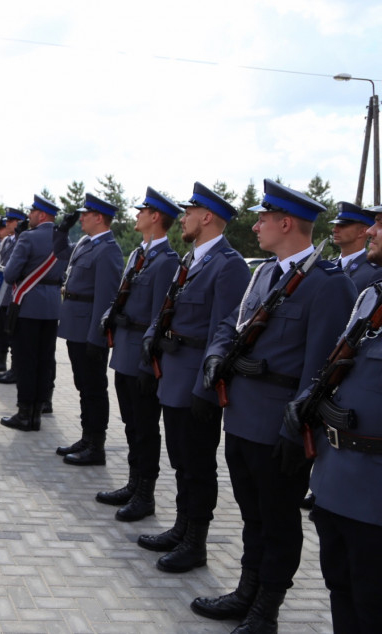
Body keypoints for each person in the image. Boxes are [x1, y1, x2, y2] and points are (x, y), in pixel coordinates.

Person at [191, 181, 356, 631]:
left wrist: (297, 430)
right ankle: (246, 589)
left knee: (279, 519)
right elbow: (231, 323)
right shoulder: (263, 273)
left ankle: (267, 607)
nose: (256, 224)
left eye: (263, 218)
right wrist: (212, 357)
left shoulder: (328, 285)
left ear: (286, 223)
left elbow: (322, 369)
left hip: (279, 424)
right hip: (241, 414)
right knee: (251, 512)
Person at [137, 181, 250, 573]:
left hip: (195, 381)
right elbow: (167, 311)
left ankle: (196, 542)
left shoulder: (229, 265)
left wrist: (206, 387)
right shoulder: (190, 261)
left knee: (198, 463)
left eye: (188, 213)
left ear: (207, 218)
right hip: (173, 372)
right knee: (181, 460)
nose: (182, 219)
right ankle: (181, 527)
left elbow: (223, 330)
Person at [293, 205, 382, 631]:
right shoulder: (371, 297)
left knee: (371, 602)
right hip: (337, 481)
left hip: (375, 492)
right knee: (341, 590)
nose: (372, 232)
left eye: (381, 226)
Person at [95, 188, 181, 522]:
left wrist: (149, 362)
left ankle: (145, 494)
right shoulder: (137, 256)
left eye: (142, 211)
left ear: (155, 217)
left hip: (143, 357)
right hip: (125, 353)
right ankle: (133, 483)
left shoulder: (167, 261)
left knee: (145, 427)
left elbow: (161, 316)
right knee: (131, 424)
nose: (136, 216)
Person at [55, 193, 124, 465]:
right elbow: (60, 253)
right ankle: (87, 437)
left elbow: (107, 297)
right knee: (83, 385)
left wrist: (97, 337)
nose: (81, 217)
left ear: (99, 218)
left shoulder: (107, 249)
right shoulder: (86, 244)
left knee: (94, 387)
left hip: (88, 330)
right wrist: (62, 230)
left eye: (86, 214)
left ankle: (96, 445)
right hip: (76, 327)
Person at [0, 196, 68, 431]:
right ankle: (39, 409)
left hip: (27, 307)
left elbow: (10, 275)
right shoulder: (63, 238)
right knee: (44, 361)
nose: (28, 216)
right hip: (51, 308)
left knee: (25, 361)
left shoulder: (28, 237)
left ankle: (25, 413)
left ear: (41, 215)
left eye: (32, 212)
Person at [0, 210, 25, 374]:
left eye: (12, 221)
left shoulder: (22, 240)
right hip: (2, 293)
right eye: (7, 221)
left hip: (12, 295)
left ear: (20, 223)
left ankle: (13, 367)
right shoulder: (7, 241)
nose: (7, 224)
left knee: (10, 334)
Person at [331, 200, 382, 291]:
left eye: (342, 226)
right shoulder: (329, 265)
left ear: (362, 231)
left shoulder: (374, 273)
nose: (334, 230)